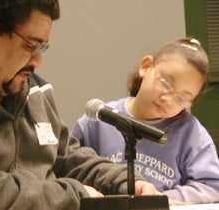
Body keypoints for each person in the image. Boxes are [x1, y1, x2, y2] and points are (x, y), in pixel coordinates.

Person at [0, 0, 160, 209]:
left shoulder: (30, 87)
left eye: (42, 48)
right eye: (30, 46)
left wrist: (123, 182)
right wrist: (74, 195)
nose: (38, 62)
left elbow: (65, 157)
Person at [72, 38, 219, 204]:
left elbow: (213, 186)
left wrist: (160, 199)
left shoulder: (191, 133)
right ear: (146, 66)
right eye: (166, 84)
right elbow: (69, 167)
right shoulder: (97, 121)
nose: (168, 99)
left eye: (182, 98)